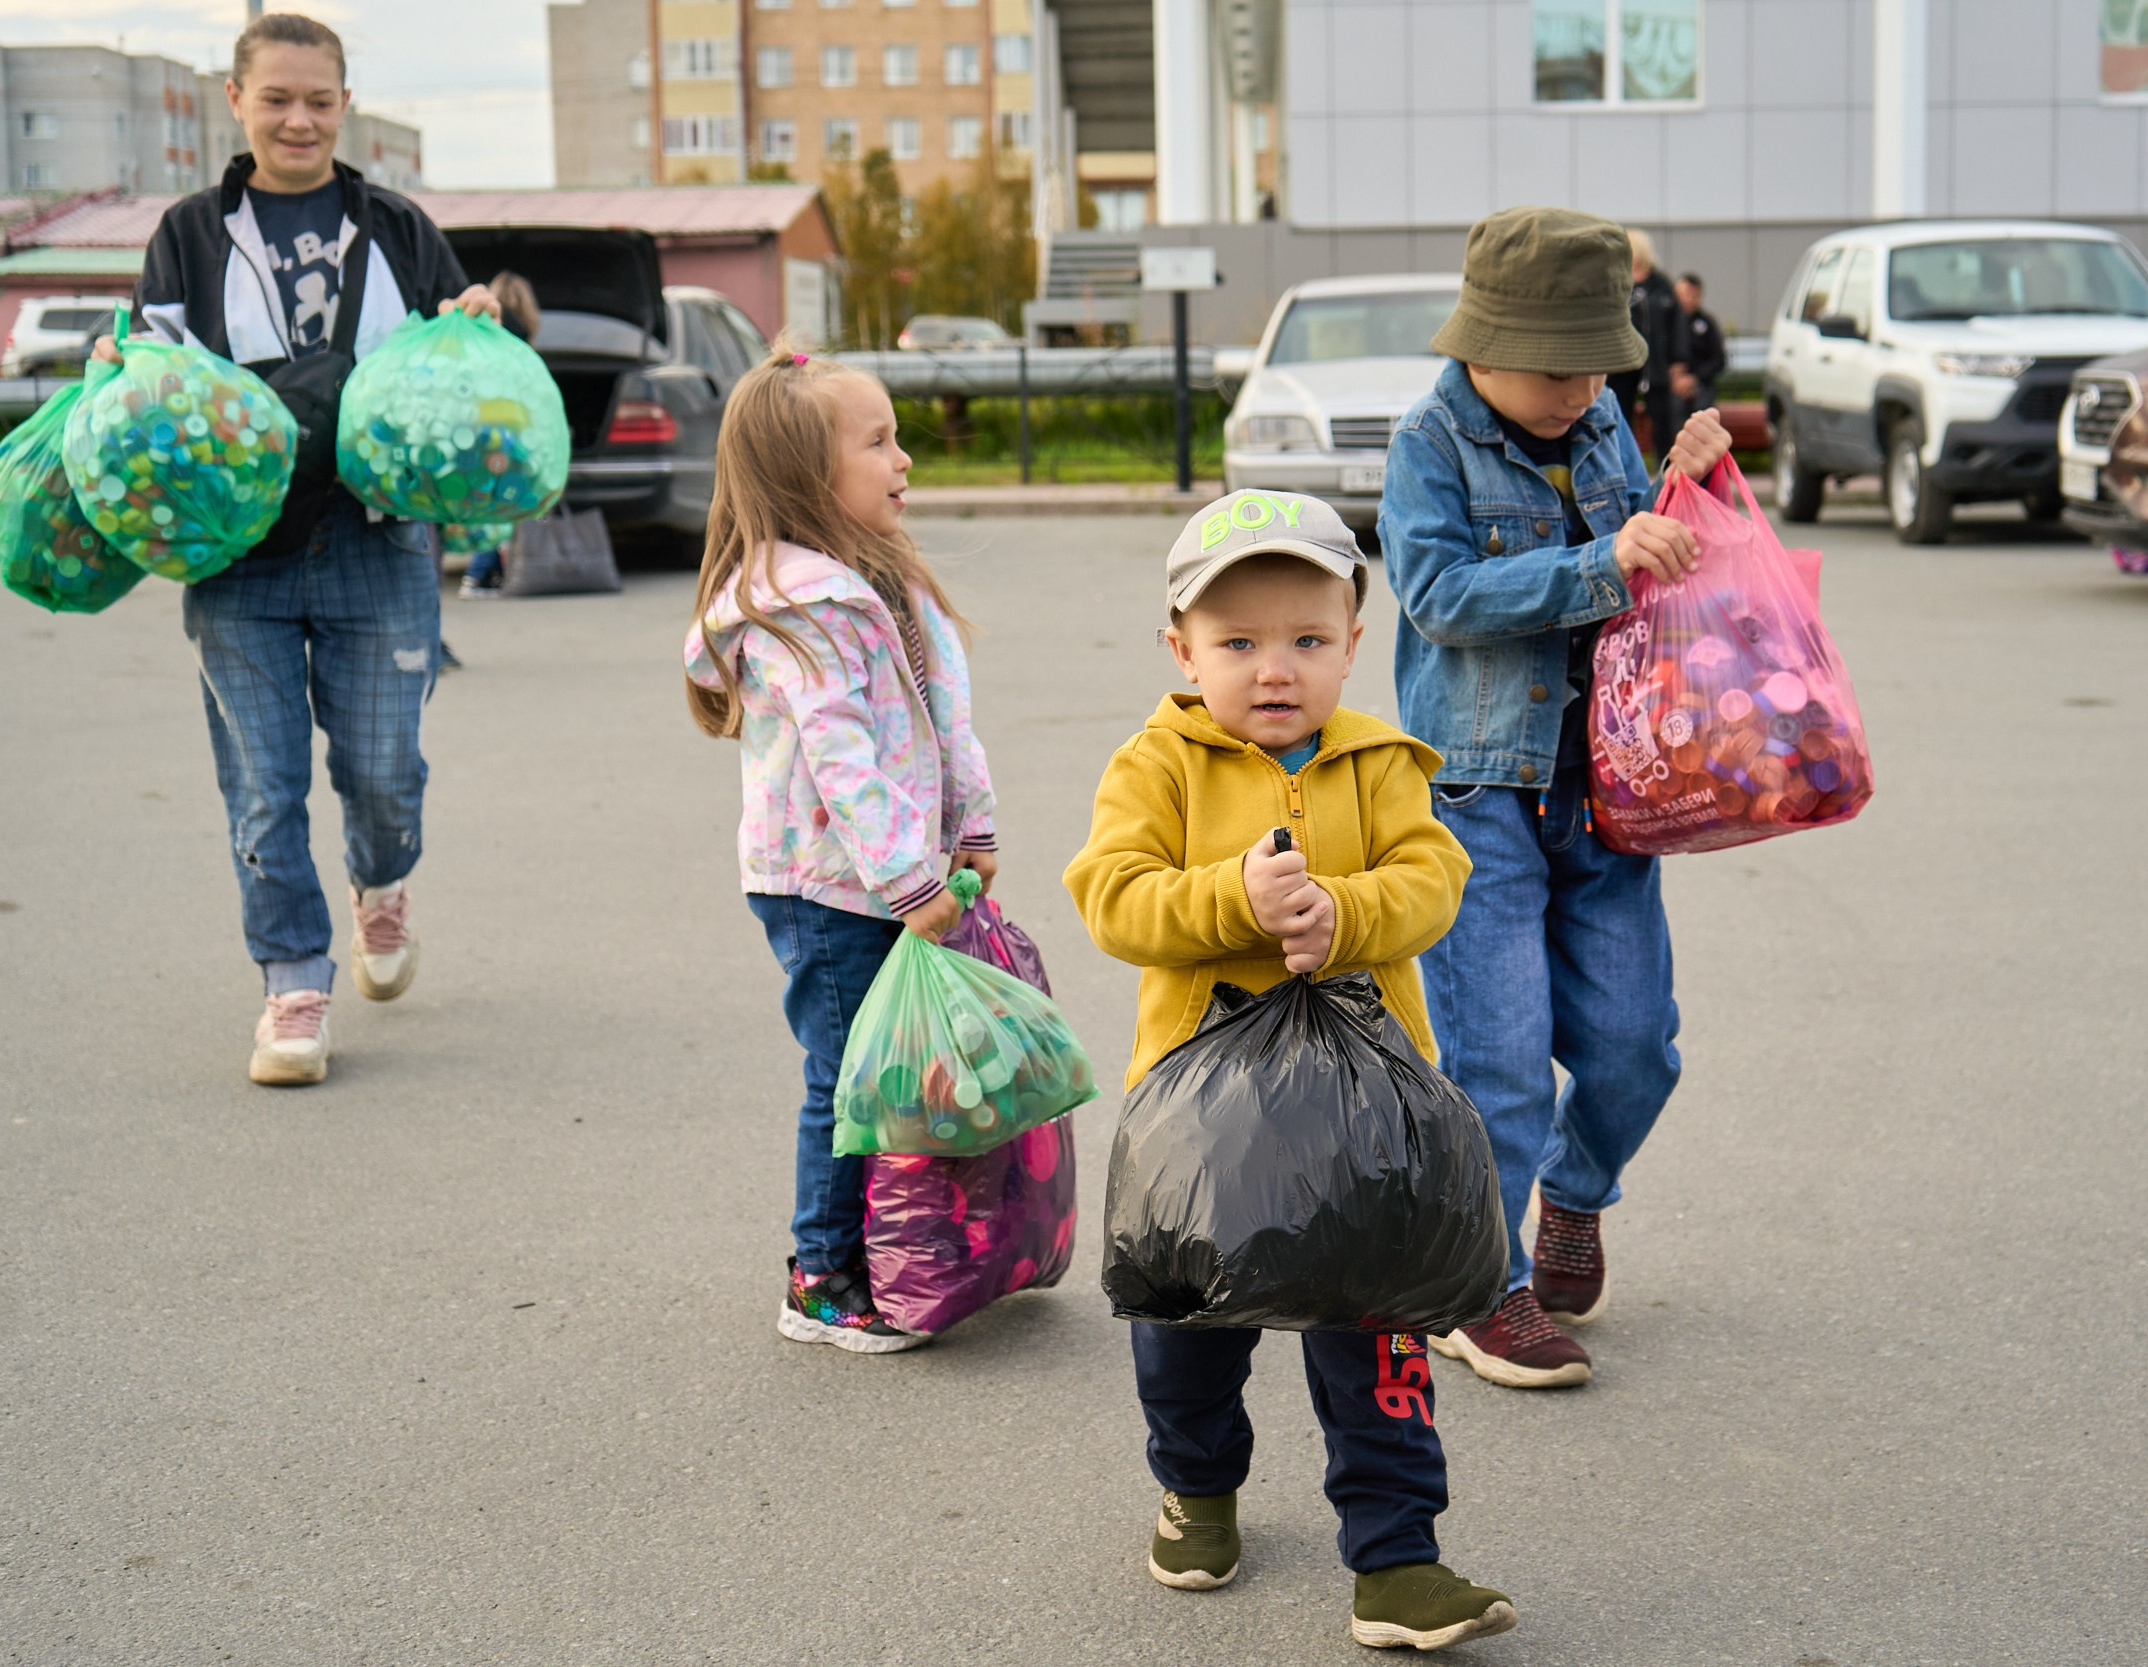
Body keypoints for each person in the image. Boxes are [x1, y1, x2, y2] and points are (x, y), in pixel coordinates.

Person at [1063, 490, 1516, 1652]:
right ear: (1182, 649)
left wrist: (1343, 913)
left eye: (1309, 640)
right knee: (1185, 1330)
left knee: (1382, 1332)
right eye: (1239, 642)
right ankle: (1198, 1490)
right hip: (1200, 1129)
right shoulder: (1156, 761)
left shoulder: (1380, 761)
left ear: (1354, 644)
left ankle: (1398, 1555)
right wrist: (1232, 898)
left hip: (1362, 1130)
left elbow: (1434, 876)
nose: (1277, 669)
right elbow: (1110, 893)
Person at [1378, 207, 1734, 1391]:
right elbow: (1435, 593)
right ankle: (1477, 1287)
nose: (1577, 388)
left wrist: (1682, 493)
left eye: (1596, 366)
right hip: (1478, 791)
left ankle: (1573, 1202)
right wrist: (1602, 560)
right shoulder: (1428, 439)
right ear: (1481, 339)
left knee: (1638, 1046)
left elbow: (1648, 569)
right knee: (1503, 1063)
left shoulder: (1595, 425)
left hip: (1606, 787)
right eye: (1552, 365)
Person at [106, 12, 495, 1086]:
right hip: (238, 559)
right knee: (263, 787)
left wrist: (475, 314)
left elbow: (456, 354)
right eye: (276, 97)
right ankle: (292, 982)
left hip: (377, 544)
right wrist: (120, 357)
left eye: (319, 99)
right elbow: (156, 368)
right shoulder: (189, 232)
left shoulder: (397, 225)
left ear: (344, 104)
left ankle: (381, 882)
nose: (298, 118)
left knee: (383, 774)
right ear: (235, 101)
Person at [682, 348, 998, 1355]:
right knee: (845, 1076)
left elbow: (949, 719)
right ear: (808, 477)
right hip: (825, 886)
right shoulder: (794, 613)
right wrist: (909, 878)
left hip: (891, 875)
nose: (903, 457)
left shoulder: (887, 579)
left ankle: (894, 1245)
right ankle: (819, 1274)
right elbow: (841, 761)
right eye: (878, 441)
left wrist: (973, 827)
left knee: (889, 1072)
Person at [457, 271, 543, 600]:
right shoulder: (523, 338)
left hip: (482, 428)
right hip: (512, 430)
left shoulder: (482, 332)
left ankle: (484, 570)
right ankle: (478, 572)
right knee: (508, 501)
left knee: (487, 499)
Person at [1621, 228, 1687, 461]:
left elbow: (1677, 326)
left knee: (1662, 422)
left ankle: (1667, 472)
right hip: (1622, 365)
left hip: (1656, 365)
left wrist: (1678, 362)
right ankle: (1622, 469)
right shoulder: (1618, 283)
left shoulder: (1661, 286)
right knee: (1620, 418)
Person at [1672, 272, 1728, 416]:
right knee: (1672, 409)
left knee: (1704, 411)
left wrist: (1694, 378)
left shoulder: (1707, 323)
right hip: (1672, 385)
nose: (1687, 299)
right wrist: (1675, 379)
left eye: (1693, 295)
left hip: (1701, 384)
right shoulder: (1666, 323)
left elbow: (1719, 360)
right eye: (1684, 294)